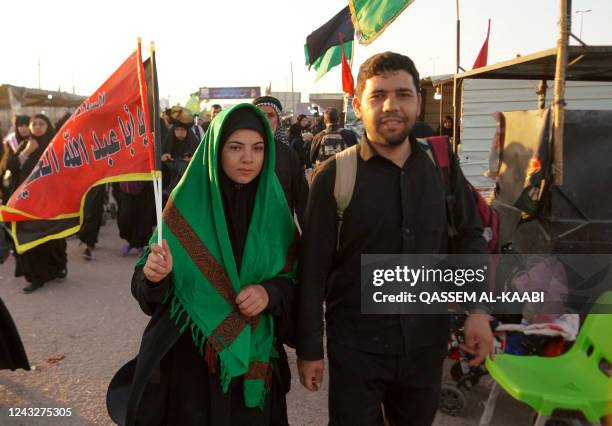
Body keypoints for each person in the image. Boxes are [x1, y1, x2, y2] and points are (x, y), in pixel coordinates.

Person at [296, 52, 494, 425]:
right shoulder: (334, 176)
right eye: (378, 96)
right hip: (356, 350)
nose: (391, 106)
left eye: (403, 94)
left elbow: (470, 237)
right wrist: (310, 349)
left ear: (418, 100)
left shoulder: (442, 166)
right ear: (357, 104)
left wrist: (478, 312)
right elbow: (313, 271)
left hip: (425, 346)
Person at [107, 104, 298, 426]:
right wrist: (155, 277)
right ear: (215, 149)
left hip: (254, 359)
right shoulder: (185, 205)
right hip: (190, 365)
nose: (248, 159)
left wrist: (270, 293)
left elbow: (295, 279)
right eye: (235, 148)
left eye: (258, 148)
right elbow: (145, 290)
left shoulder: (275, 211)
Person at [6, 114, 67, 293]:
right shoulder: (25, 145)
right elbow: (11, 167)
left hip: (49, 203)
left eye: (42, 123)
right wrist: (27, 152)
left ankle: (57, 267)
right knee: (29, 238)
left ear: (48, 126)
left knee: (52, 238)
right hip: (25, 203)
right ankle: (36, 277)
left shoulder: (55, 147)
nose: (38, 127)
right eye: (34, 124)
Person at [252, 96, 309, 227]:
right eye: (260, 114)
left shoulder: (288, 155)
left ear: (278, 121)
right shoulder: (240, 153)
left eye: (271, 115)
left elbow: (302, 199)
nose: (265, 119)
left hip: (280, 231)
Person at [161, 107, 200, 205]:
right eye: (177, 129)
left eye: (183, 130)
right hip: (167, 197)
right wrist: (162, 158)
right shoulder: (168, 143)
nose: (180, 132)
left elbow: (201, 164)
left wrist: (193, 160)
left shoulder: (193, 144)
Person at [1, 115, 31, 202]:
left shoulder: (34, 141)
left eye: (26, 125)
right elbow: (7, 164)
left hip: (28, 182)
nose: (23, 128)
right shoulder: (10, 141)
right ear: (16, 127)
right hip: (12, 184)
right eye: (20, 125)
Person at [78, 184, 106, 260]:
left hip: (98, 180)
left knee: (93, 211)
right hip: (84, 180)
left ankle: (89, 245)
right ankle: (89, 239)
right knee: (84, 210)